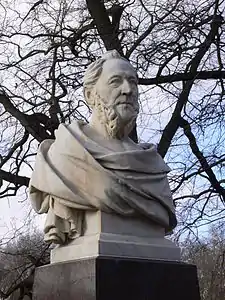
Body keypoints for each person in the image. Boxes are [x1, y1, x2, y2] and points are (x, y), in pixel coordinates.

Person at [29, 50, 177, 244]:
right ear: (90, 95)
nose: (128, 90)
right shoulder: (63, 155)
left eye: (133, 82)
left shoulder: (151, 164)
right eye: (115, 81)